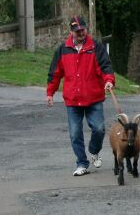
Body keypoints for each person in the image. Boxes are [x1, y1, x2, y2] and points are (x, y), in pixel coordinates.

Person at [46, 16, 115, 176]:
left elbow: (106, 66)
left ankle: (94, 150)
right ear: (71, 32)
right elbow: (55, 73)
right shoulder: (63, 49)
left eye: (83, 30)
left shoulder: (96, 47)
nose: (81, 33)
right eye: (77, 31)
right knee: (75, 133)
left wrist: (109, 80)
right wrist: (50, 93)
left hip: (93, 97)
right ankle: (82, 163)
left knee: (99, 129)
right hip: (72, 99)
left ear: (86, 29)